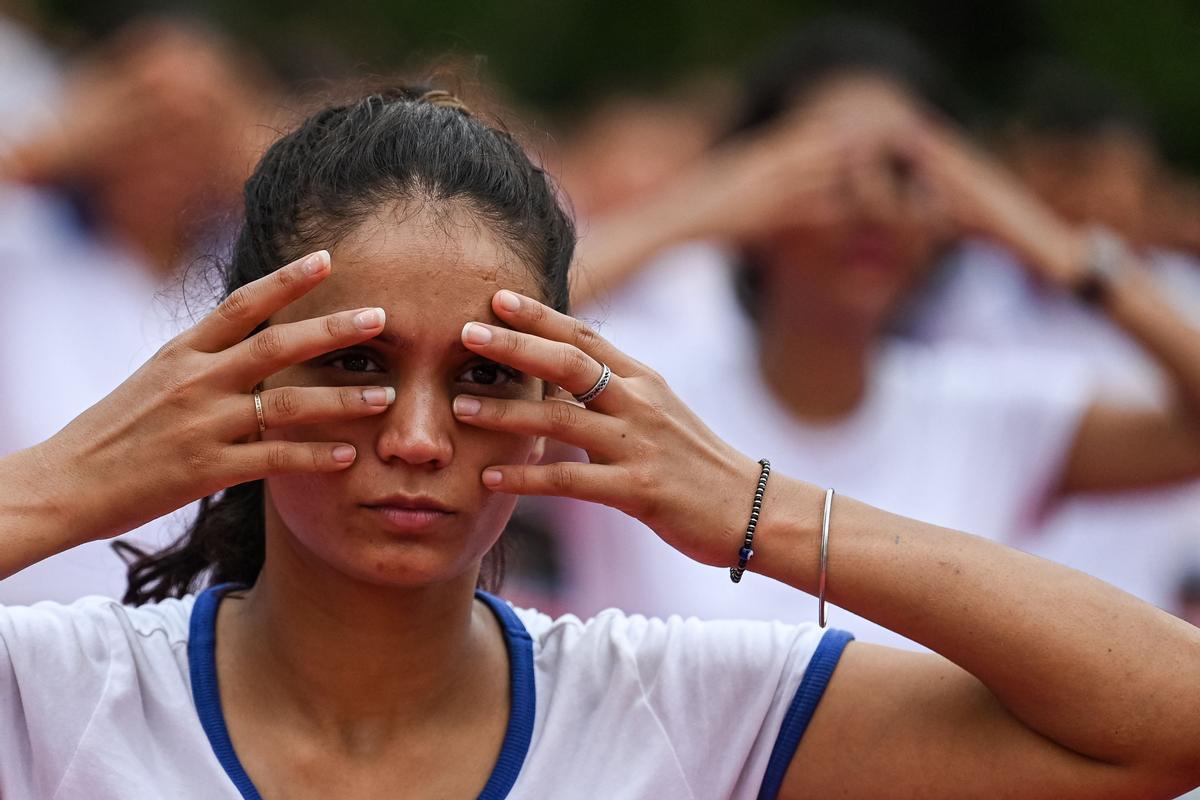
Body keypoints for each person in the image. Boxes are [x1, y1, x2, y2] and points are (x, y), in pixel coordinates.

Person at [1, 86, 1199, 800]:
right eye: (355, 365)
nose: (417, 437)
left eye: (485, 374)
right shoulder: (55, 695)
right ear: (236, 363)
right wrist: (65, 485)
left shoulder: (675, 706)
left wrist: (753, 502)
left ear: (563, 388)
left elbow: (1166, 716)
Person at [553, 21, 1200, 643]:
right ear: (751, 179)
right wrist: (694, 208)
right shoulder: (638, 383)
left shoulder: (982, 414)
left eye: (904, 173)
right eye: (829, 169)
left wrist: (1046, 241)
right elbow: (487, 327)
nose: (871, 204)